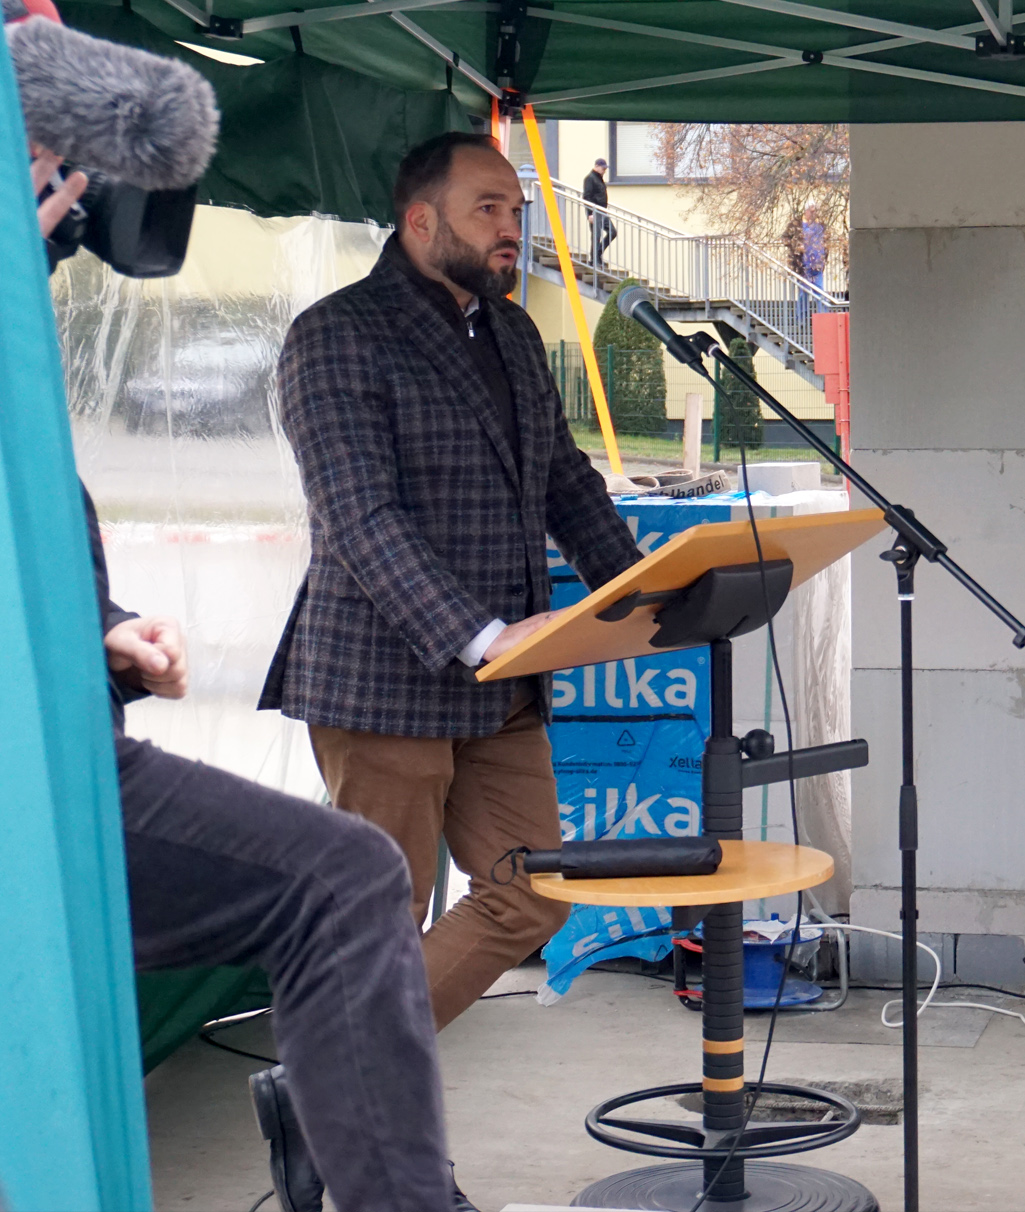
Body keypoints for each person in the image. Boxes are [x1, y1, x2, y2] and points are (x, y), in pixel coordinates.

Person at [25, 141, 460, 1211]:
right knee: (343, 880)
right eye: (38, 156)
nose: (67, 190)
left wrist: (106, 633)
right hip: (37, 781)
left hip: (61, 743)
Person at [261, 132, 642, 1033]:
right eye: (488, 209)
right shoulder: (336, 334)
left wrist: (643, 589)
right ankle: (362, 1107)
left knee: (535, 893)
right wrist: (480, 634)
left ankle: (332, 1058)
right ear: (421, 221)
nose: (512, 228)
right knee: (379, 923)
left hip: (504, 684)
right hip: (383, 682)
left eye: (516, 210)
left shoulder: (512, 330)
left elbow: (563, 481)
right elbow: (359, 516)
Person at [583, 156, 613, 265]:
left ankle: (598, 253)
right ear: (596, 166)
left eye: (605, 169)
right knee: (596, 235)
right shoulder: (590, 178)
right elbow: (587, 197)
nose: (604, 171)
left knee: (612, 232)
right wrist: (590, 214)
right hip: (595, 211)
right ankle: (594, 260)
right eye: (603, 168)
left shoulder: (599, 178)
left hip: (602, 211)